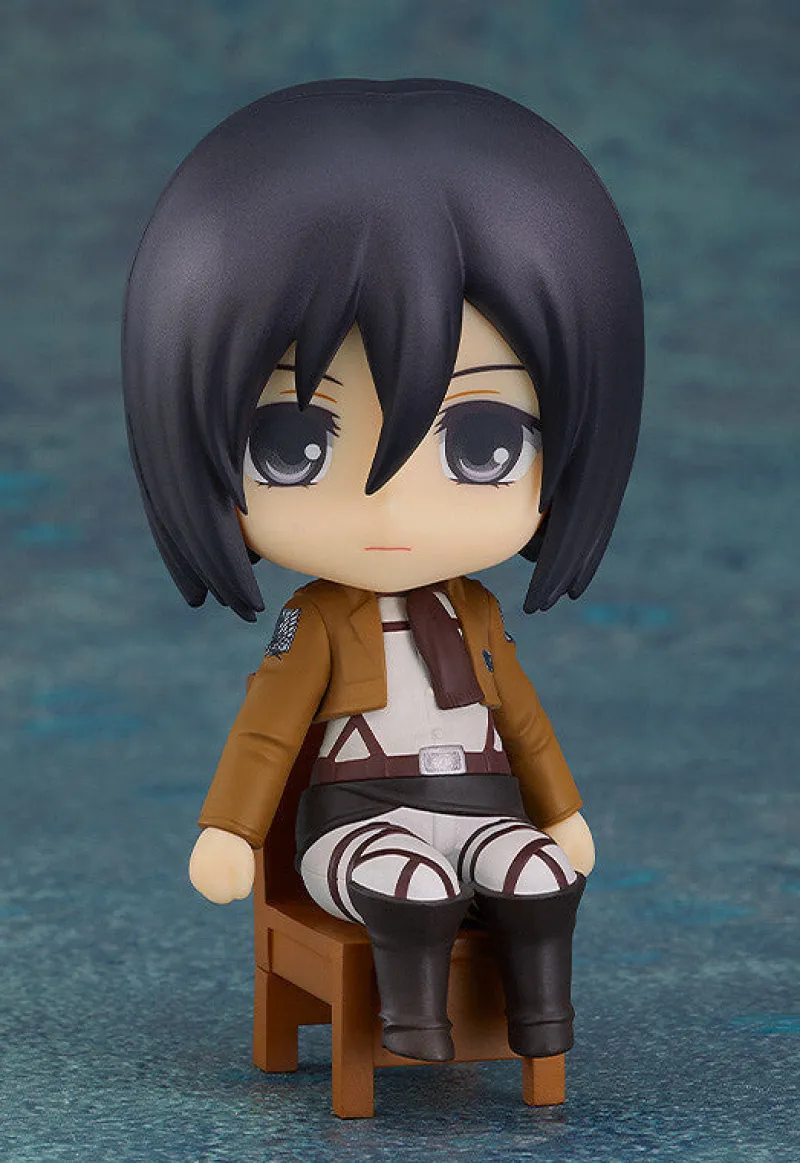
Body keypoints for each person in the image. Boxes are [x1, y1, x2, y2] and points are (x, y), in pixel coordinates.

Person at [122, 78, 644, 1065]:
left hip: (480, 806)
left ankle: (541, 1022)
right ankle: (408, 1025)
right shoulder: (317, 622)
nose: (393, 509)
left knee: (536, 871)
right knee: (408, 882)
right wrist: (230, 829)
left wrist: (562, 809)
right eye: (291, 444)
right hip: (358, 820)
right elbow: (269, 728)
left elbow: (523, 721)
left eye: (483, 442)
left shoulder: (475, 613)